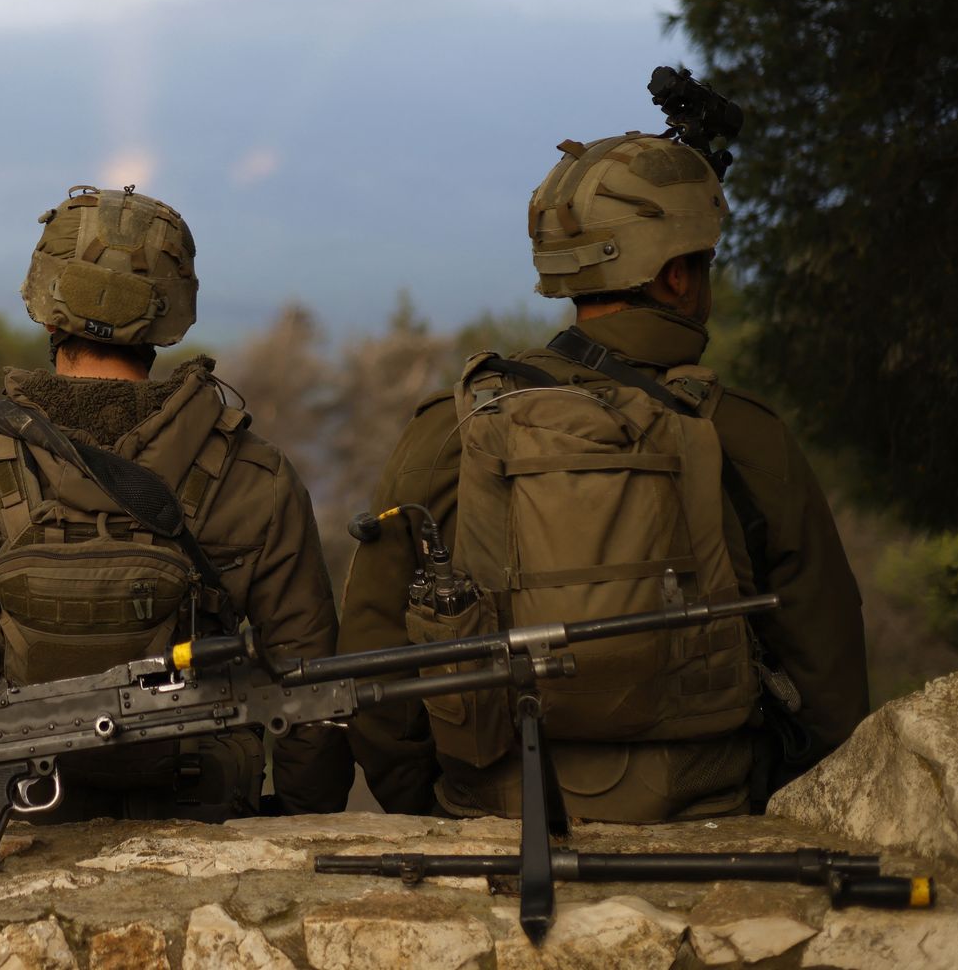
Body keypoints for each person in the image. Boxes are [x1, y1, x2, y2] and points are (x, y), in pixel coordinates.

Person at [339, 131, 869, 822]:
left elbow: (375, 663)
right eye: (703, 263)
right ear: (675, 276)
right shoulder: (745, 438)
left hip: (490, 817)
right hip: (711, 817)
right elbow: (829, 684)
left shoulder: (451, 432)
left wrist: (439, 804)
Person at [0, 184, 351, 822]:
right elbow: (312, 694)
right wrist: (301, 824)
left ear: (48, 312)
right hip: (198, 817)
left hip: (9, 822)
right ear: (168, 321)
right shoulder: (257, 478)